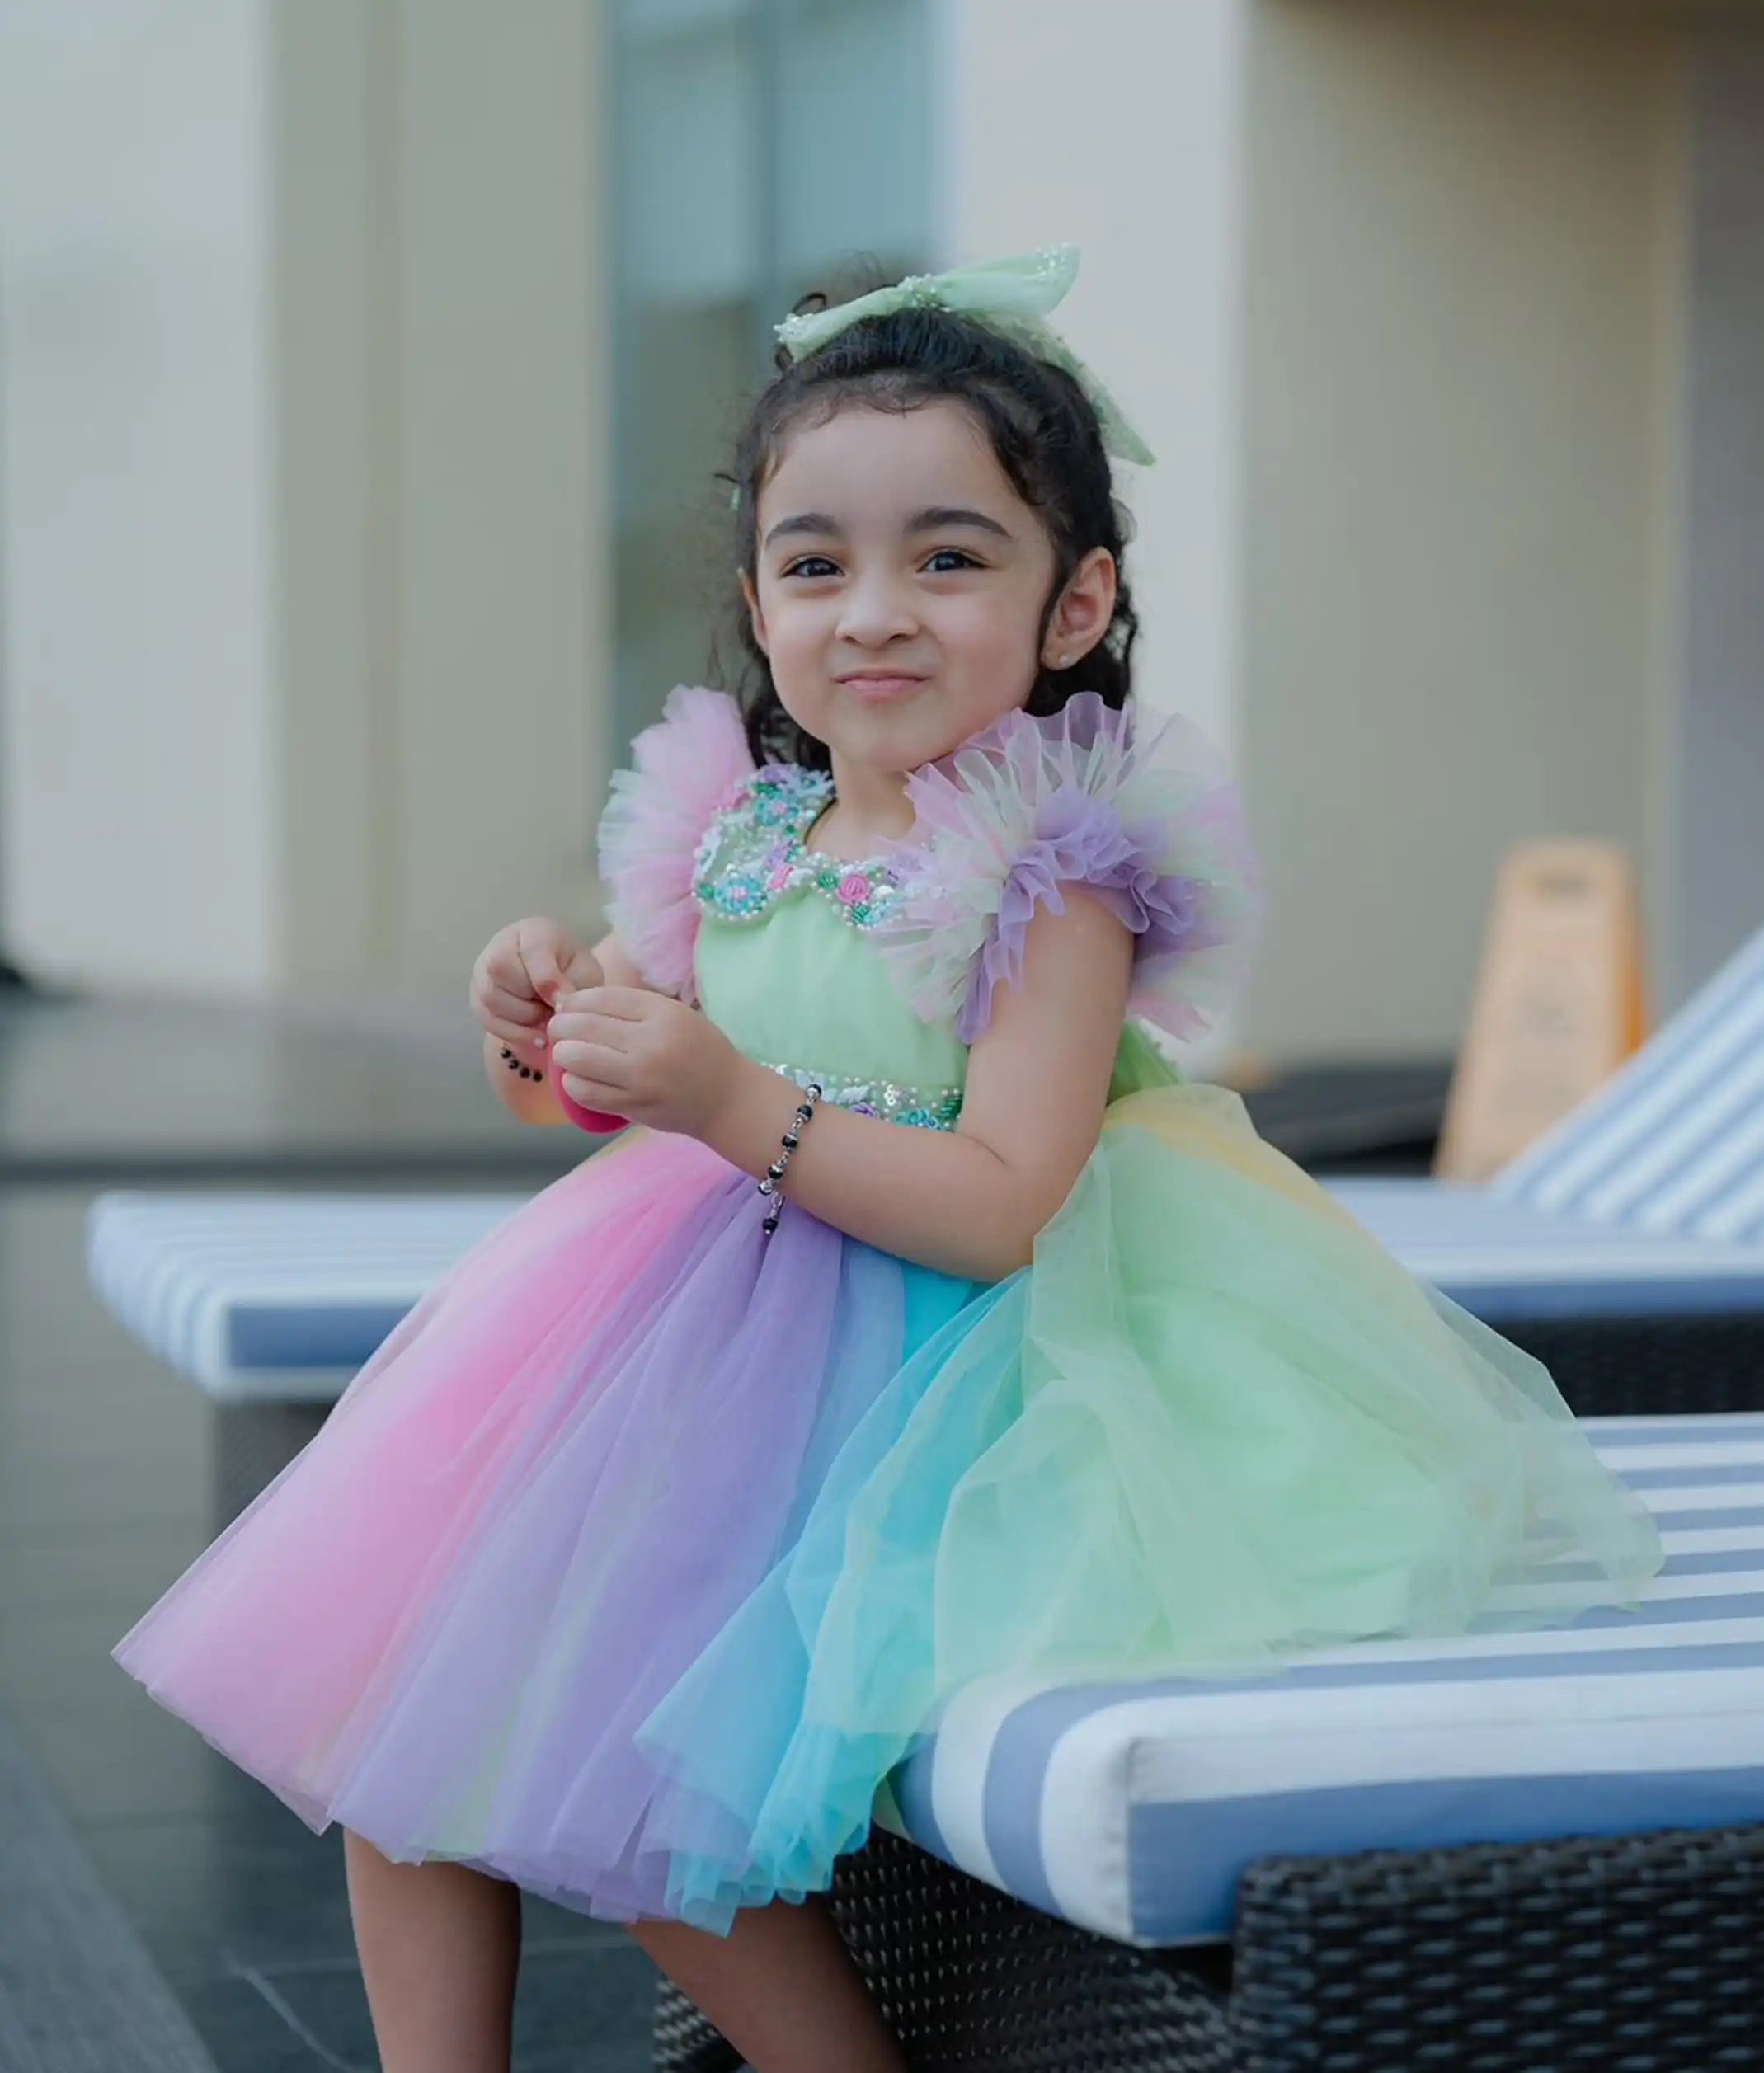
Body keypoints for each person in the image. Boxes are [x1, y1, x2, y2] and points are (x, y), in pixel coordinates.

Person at [115, 247, 1660, 2073]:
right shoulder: (735, 828)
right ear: (757, 603)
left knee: (629, 1770)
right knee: (383, 1730)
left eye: (947, 555)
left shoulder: (1049, 870)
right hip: (688, 1335)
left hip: (951, 1370)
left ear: (1070, 603)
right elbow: (665, 1073)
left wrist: (711, 1096)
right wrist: (567, 1028)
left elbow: (1003, 1202)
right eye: (814, 563)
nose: (874, 612)